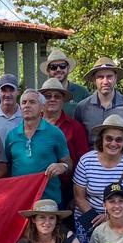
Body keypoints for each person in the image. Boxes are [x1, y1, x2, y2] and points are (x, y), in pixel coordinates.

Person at [72, 113, 123, 243]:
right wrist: (95, 219)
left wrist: (111, 218)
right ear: (101, 139)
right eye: (109, 138)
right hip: (88, 217)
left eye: (119, 140)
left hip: (120, 216)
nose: (113, 143)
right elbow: (79, 196)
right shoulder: (86, 160)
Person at [5, 89, 71, 203]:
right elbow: (7, 167)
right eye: (24, 102)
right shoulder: (11, 135)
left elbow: (69, 163)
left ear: (42, 107)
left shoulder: (55, 133)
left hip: (48, 199)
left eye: (32, 102)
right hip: (20, 199)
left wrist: (62, 166)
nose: (27, 106)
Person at [74, 57, 123, 159]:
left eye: (109, 76)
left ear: (116, 78)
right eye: (100, 77)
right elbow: (78, 142)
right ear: (94, 80)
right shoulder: (82, 108)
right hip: (92, 168)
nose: (105, 81)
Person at [40, 77, 89, 210]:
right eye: (48, 96)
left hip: (66, 190)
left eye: (57, 96)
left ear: (63, 101)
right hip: (37, 189)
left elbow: (83, 163)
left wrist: (76, 196)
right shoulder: (30, 126)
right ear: (41, 101)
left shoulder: (75, 127)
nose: (52, 99)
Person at [41, 48, 89, 115]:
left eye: (62, 66)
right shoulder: (41, 95)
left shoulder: (82, 92)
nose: (58, 69)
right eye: (53, 67)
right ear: (48, 70)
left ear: (68, 68)